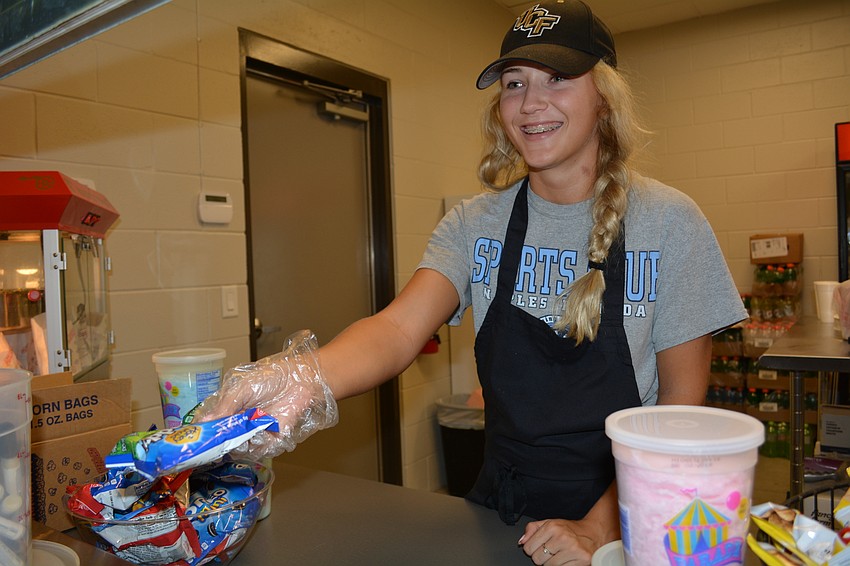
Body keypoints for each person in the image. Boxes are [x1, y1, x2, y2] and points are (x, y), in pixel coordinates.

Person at [194, 0, 747, 563]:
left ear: (603, 96)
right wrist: (302, 377)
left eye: (557, 79)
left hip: (628, 518)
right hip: (501, 514)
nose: (531, 104)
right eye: (514, 83)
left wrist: (597, 526)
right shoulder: (476, 224)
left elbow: (682, 404)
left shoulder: (670, 222)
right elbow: (397, 329)